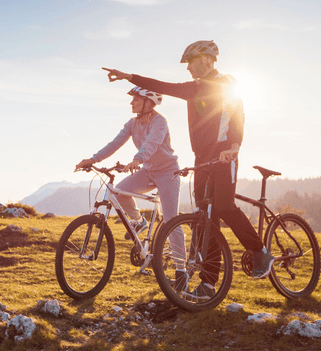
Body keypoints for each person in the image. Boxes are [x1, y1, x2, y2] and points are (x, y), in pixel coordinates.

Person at [103, 40, 274, 300]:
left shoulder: (224, 83)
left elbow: (238, 113)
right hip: (202, 158)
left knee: (224, 207)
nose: (188, 69)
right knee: (204, 221)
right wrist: (130, 77)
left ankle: (261, 251)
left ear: (206, 59)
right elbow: (168, 88)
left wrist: (235, 146)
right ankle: (208, 285)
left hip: (225, 155)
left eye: (191, 63)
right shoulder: (196, 89)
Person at [76, 86, 187, 282]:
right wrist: (93, 160)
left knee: (171, 219)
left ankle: (181, 269)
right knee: (119, 192)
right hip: (148, 171)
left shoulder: (160, 122)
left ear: (148, 102)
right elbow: (115, 143)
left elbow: (152, 142)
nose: (131, 103)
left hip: (168, 172)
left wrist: (137, 159)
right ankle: (139, 221)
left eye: (135, 99)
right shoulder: (132, 123)